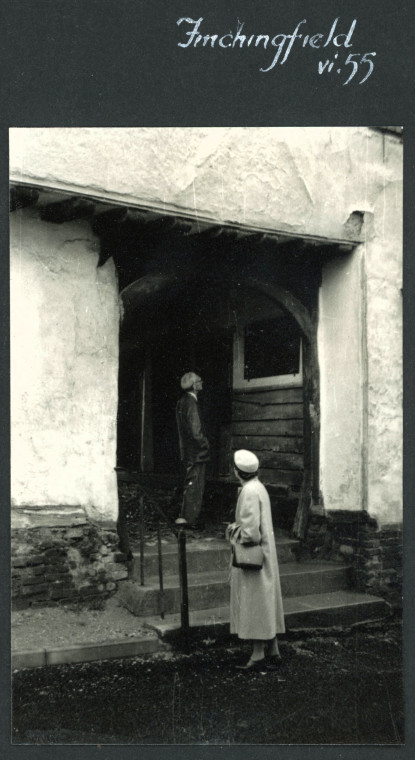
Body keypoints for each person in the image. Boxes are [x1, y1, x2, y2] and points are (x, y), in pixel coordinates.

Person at [226, 449, 285, 671]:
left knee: (255, 602)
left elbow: (250, 533)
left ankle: (258, 653)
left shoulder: (248, 491)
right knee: (267, 599)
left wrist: (233, 531)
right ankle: (273, 648)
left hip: (254, 557)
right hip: (266, 554)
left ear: (237, 472)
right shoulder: (259, 487)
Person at [175, 372, 210, 528]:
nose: (201, 383)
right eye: (199, 381)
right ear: (194, 385)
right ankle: (190, 519)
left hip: (188, 451)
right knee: (195, 486)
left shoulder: (182, 402)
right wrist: (205, 444)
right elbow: (196, 432)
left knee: (189, 484)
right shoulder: (191, 403)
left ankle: (185, 517)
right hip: (197, 453)